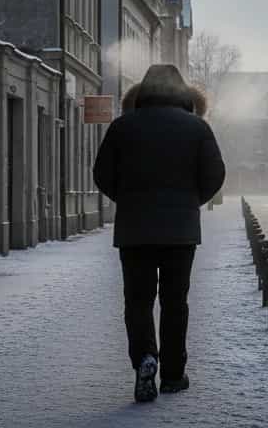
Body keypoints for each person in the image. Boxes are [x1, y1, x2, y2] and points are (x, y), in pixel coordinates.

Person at [94, 65, 226, 403]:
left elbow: (101, 174)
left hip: (134, 230)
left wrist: (127, 199)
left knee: (137, 302)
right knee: (174, 303)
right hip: (180, 234)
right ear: (183, 94)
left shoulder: (123, 127)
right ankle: (172, 375)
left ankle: (144, 359)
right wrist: (190, 202)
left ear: (142, 93)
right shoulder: (198, 128)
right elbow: (215, 175)